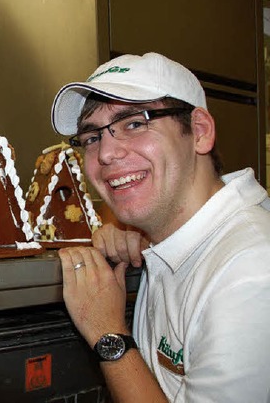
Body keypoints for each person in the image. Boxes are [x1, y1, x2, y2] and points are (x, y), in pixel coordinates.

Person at [50, 52, 270, 402]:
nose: (106, 153)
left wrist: (108, 333)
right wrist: (129, 227)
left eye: (135, 124)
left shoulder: (252, 272)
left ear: (199, 132)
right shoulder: (174, 233)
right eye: (92, 138)